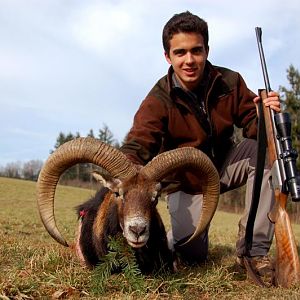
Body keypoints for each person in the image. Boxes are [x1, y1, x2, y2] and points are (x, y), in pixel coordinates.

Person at [120, 11, 281, 273]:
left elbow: (255, 128)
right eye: (180, 53)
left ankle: (253, 252)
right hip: (186, 183)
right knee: (193, 255)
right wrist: (120, 174)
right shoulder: (158, 100)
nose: (189, 60)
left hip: (224, 167)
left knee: (264, 154)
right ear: (167, 56)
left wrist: (267, 115)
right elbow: (137, 146)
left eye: (196, 50)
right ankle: (173, 239)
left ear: (207, 50)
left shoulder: (230, 82)